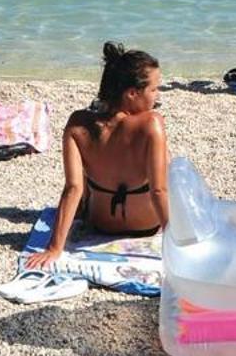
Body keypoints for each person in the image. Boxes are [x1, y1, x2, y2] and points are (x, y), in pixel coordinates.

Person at [26, 44, 169, 268]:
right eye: (153, 90)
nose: (157, 96)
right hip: (146, 224)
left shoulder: (77, 125)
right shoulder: (152, 123)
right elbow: (159, 190)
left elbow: (73, 189)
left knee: (87, 172)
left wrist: (55, 248)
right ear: (132, 93)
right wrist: (175, 244)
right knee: (166, 161)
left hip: (101, 223)